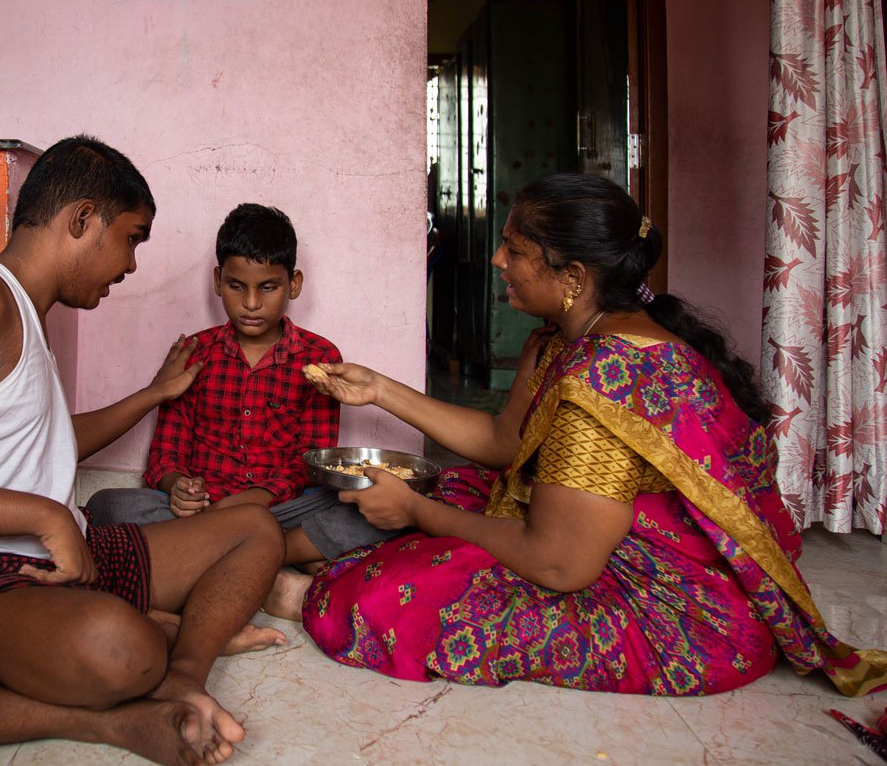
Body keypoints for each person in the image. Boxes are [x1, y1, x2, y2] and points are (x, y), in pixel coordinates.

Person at [291, 173, 887, 697]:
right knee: (454, 488)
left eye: (514, 249)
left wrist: (417, 512)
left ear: (572, 275)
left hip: (680, 614)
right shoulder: (558, 338)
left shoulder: (604, 381)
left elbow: (557, 565)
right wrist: (378, 389)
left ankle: (298, 589)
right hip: (589, 534)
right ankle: (303, 552)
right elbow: (504, 442)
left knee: (386, 600)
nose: (498, 261)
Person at [0, 136, 286, 765]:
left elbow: (46, 439)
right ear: (81, 221)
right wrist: (43, 517)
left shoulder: (26, 310)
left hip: (55, 551)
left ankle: (184, 674)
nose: (130, 265)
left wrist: (152, 395)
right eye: (131, 238)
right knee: (120, 650)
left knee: (256, 532)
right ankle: (136, 661)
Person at [86, 203, 397, 613]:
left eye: (268, 287)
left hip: (278, 510)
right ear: (217, 281)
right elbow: (165, 454)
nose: (251, 303)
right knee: (106, 506)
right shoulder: (193, 354)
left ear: (294, 284)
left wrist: (251, 500)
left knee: (369, 509)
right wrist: (177, 486)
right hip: (201, 510)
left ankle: (232, 558)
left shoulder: (319, 356)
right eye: (236, 286)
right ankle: (269, 569)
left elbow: (311, 461)